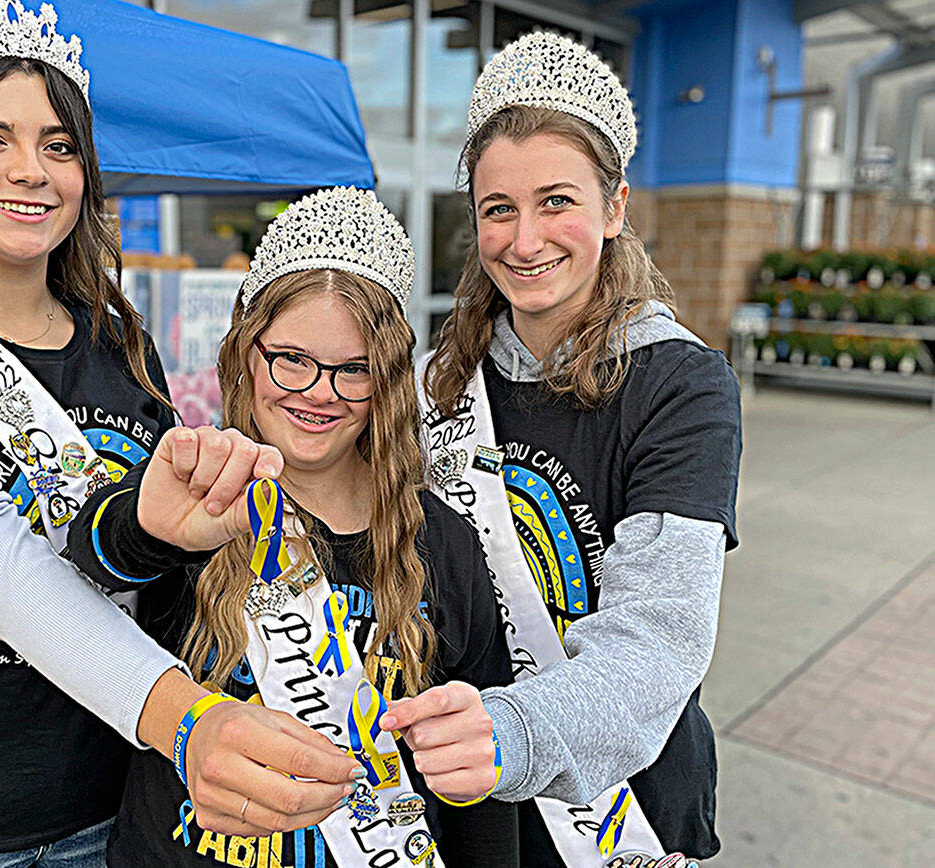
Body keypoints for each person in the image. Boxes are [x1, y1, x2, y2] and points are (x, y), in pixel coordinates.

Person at [0, 2, 358, 864]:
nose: (32, 171)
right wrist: (188, 721)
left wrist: (170, 529)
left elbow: (99, 551)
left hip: (107, 791)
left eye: (59, 146)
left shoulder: (119, 342)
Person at [67, 187, 520, 867]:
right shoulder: (198, 504)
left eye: (353, 371)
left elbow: (478, 776)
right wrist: (147, 525)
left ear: (388, 380)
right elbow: (94, 555)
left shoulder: (443, 543)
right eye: (292, 359)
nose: (319, 392)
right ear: (249, 354)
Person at [389, 31, 741, 867]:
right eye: (497, 208)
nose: (524, 238)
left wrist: (518, 730)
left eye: (557, 201)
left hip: (621, 800)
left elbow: (661, 637)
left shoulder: (682, 386)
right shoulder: (439, 379)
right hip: (461, 780)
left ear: (614, 208)